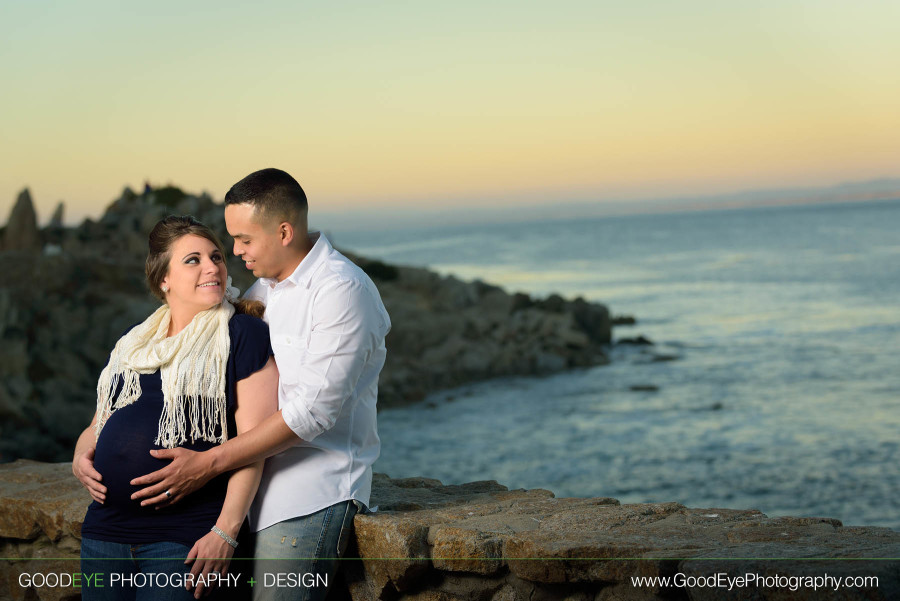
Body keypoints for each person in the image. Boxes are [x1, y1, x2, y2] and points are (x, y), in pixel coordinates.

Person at [125, 169, 391, 601]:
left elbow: (312, 413)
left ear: (284, 231)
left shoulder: (340, 290)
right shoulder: (261, 290)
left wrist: (209, 463)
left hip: (309, 491)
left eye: (244, 240)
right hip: (243, 487)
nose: (235, 251)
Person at [72, 216, 278, 600]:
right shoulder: (134, 344)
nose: (212, 266)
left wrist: (225, 532)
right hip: (105, 533)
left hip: (183, 537)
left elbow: (255, 444)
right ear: (163, 278)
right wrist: (79, 455)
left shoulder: (242, 334)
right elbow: (98, 424)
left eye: (216, 256)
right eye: (193, 260)